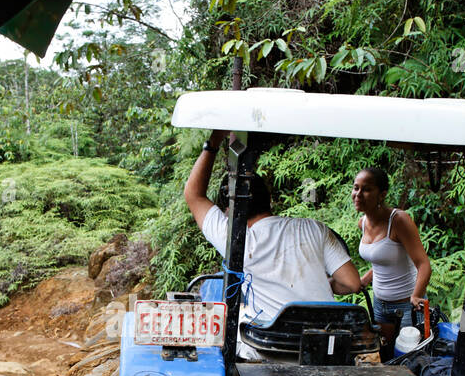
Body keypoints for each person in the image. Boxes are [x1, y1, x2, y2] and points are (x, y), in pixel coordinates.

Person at [184, 129, 364, 360]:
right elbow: (351, 283)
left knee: (229, 325)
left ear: (230, 213)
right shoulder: (313, 228)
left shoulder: (238, 240)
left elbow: (193, 195)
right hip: (324, 346)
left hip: (273, 349)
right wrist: (319, 284)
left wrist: (212, 143)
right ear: (268, 200)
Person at [353, 167, 432, 334]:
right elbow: (383, 260)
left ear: (382, 194)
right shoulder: (362, 223)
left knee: (408, 356)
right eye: (356, 188)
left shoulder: (398, 221)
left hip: (407, 306)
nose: (358, 194)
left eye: (366, 189)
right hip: (380, 305)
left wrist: (417, 296)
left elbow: (423, 264)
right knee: (384, 353)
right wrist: (365, 280)